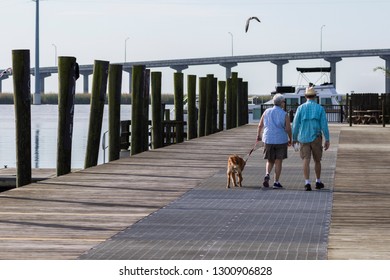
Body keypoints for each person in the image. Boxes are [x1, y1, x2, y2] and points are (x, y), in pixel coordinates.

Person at [292, 87, 330, 191]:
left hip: (303, 137)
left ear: (305, 96)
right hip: (316, 137)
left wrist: (294, 138)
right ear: (315, 96)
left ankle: (307, 183)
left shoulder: (300, 108)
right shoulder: (320, 108)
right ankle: (318, 181)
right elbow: (324, 125)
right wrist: (327, 139)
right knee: (317, 160)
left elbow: (295, 125)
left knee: (306, 159)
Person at [257, 93, 292, 189]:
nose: (284, 103)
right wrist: (290, 139)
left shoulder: (266, 111)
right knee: (278, 161)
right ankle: (276, 182)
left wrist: (258, 135)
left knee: (270, 159)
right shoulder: (284, 114)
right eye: (284, 102)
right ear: (281, 103)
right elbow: (288, 128)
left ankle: (267, 174)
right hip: (281, 139)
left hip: (268, 138)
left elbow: (260, 125)